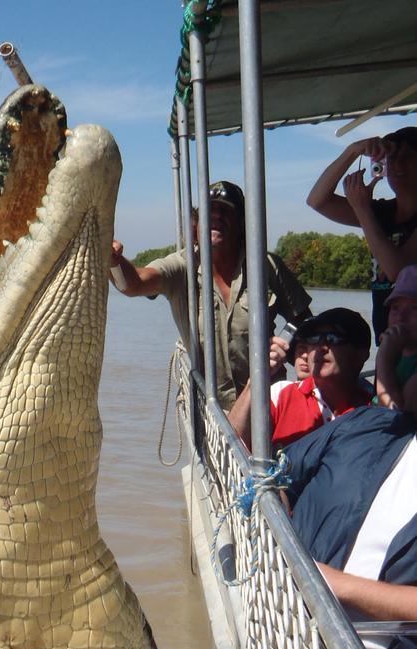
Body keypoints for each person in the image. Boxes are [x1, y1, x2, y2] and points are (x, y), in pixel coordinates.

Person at [110, 180, 312, 409]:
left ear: (242, 223)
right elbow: (133, 284)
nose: (216, 216)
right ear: (196, 225)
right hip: (211, 411)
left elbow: (304, 322)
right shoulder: (182, 266)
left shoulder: (266, 265)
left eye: (225, 211)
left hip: (267, 401)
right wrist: (114, 262)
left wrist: (292, 352)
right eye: (210, 211)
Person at [284, 406, 417, 649]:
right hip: (286, 621)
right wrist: (279, 537)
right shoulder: (367, 424)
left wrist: (335, 584)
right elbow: (276, 476)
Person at [307, 126, 417, 343]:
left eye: (407, 158)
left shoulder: (369, 212)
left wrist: (362, 209)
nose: (397, 165)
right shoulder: (382, 213)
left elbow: (398, 271)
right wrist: (352, 151)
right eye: (391, 159)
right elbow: (317, 200)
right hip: (388, 341)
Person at [228, 308, 372, 450]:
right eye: (314, 338)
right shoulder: (280, 395)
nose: (320, 347)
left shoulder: (372, 408)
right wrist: (256, 380)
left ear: (360, 354)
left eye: (332, 339)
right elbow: (228, 445)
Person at [375, 263, 417, 413]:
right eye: (395, 308)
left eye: (414, 308)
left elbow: (395, 419)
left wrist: (384, 357)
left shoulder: (389, 355)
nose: (400, 317)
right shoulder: (396, 354)